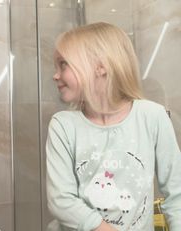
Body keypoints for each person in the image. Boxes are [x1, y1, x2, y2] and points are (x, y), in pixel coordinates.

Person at [45, 22, 181, 231]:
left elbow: (177, 192)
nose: (55, 75)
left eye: (63, 64)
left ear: (100, 67)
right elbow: (61, 200)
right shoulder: (63, 125)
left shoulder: (152, 116)